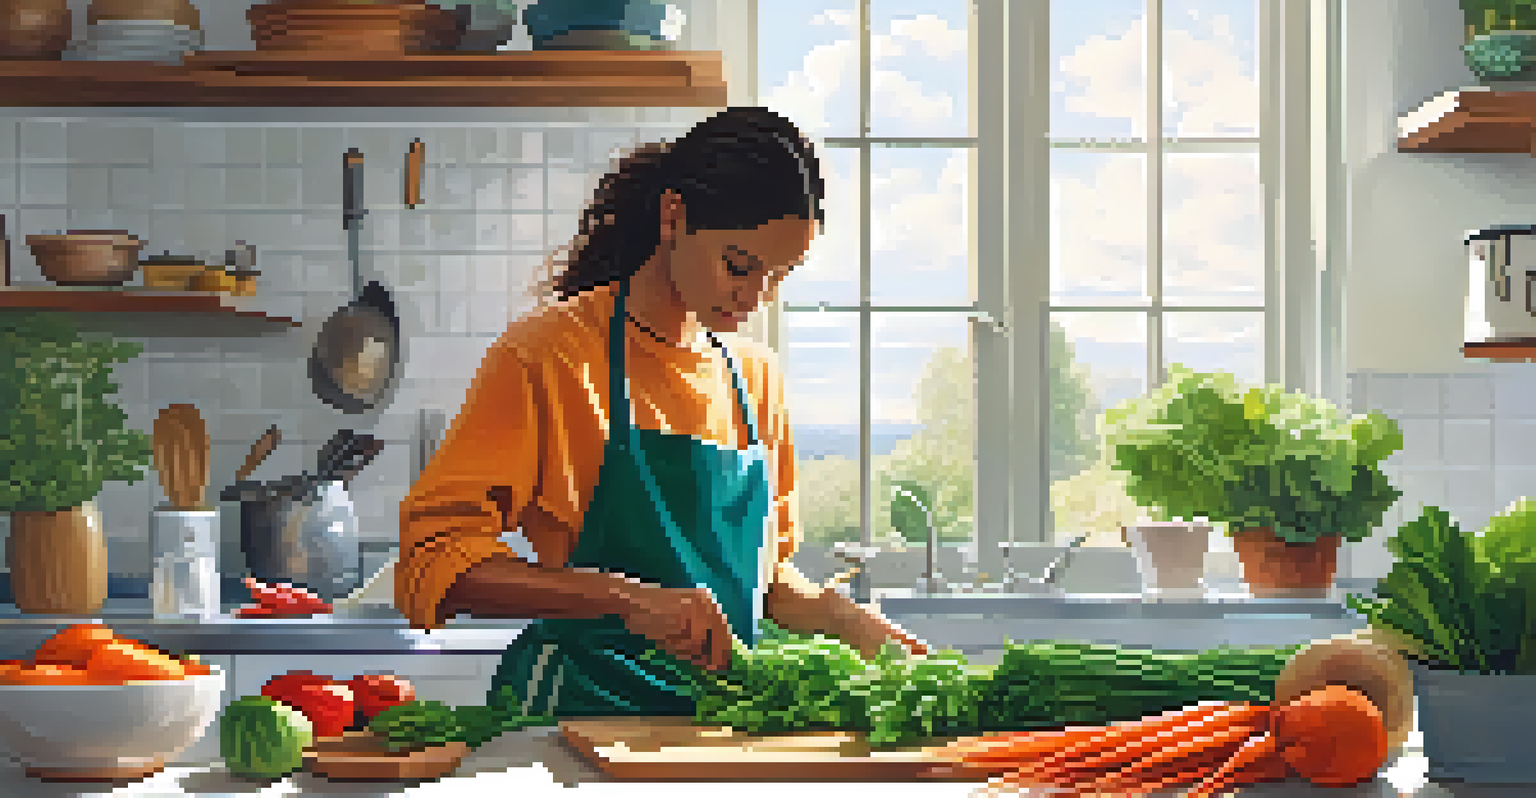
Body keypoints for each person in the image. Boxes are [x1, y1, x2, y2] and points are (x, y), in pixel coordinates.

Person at [397, 106, 929, 720]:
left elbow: (765, 581)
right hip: (577, 713)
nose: (755, 298)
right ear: (673, 216)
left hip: (718, 721)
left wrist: (840, 617)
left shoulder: (755, 379)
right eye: (739, 265)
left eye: (779, 276)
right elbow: (432, 562)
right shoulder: (550, 356)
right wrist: (623, 598)